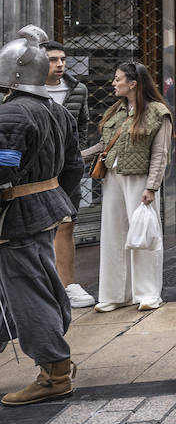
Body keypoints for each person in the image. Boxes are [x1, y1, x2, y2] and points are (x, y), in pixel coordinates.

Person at [0, 25, 84, 406]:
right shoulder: (55, 109)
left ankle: (54, 371)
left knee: (28, 293)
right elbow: (73, 168)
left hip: (17, 216)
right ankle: (55, 357)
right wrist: (58, 200)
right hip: (44, 208)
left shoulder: (14, 114)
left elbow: (3, 172)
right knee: (44, 283)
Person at [93, 62, 171, 312]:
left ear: (133, 83)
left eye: (118, 79)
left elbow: (161, 154)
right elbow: (103, 146)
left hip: (140, 179)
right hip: (113, 177)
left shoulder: (158, 112)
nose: (113, 83)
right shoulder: (117, 110)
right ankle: (115, 294)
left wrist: (152, 186)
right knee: (113, 234)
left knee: (144, 234)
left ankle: (148, 294)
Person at [42, 42, 94, 309]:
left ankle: (68, 285)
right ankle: (41, 286)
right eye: (53, 60)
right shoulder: (22, 90)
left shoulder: (77, 89)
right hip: (36, 170)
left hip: (67, 169)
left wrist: (78, 153)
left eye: (62, 59)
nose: (60, 64)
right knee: (34, 228)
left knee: (67, 223)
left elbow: (82, 123)